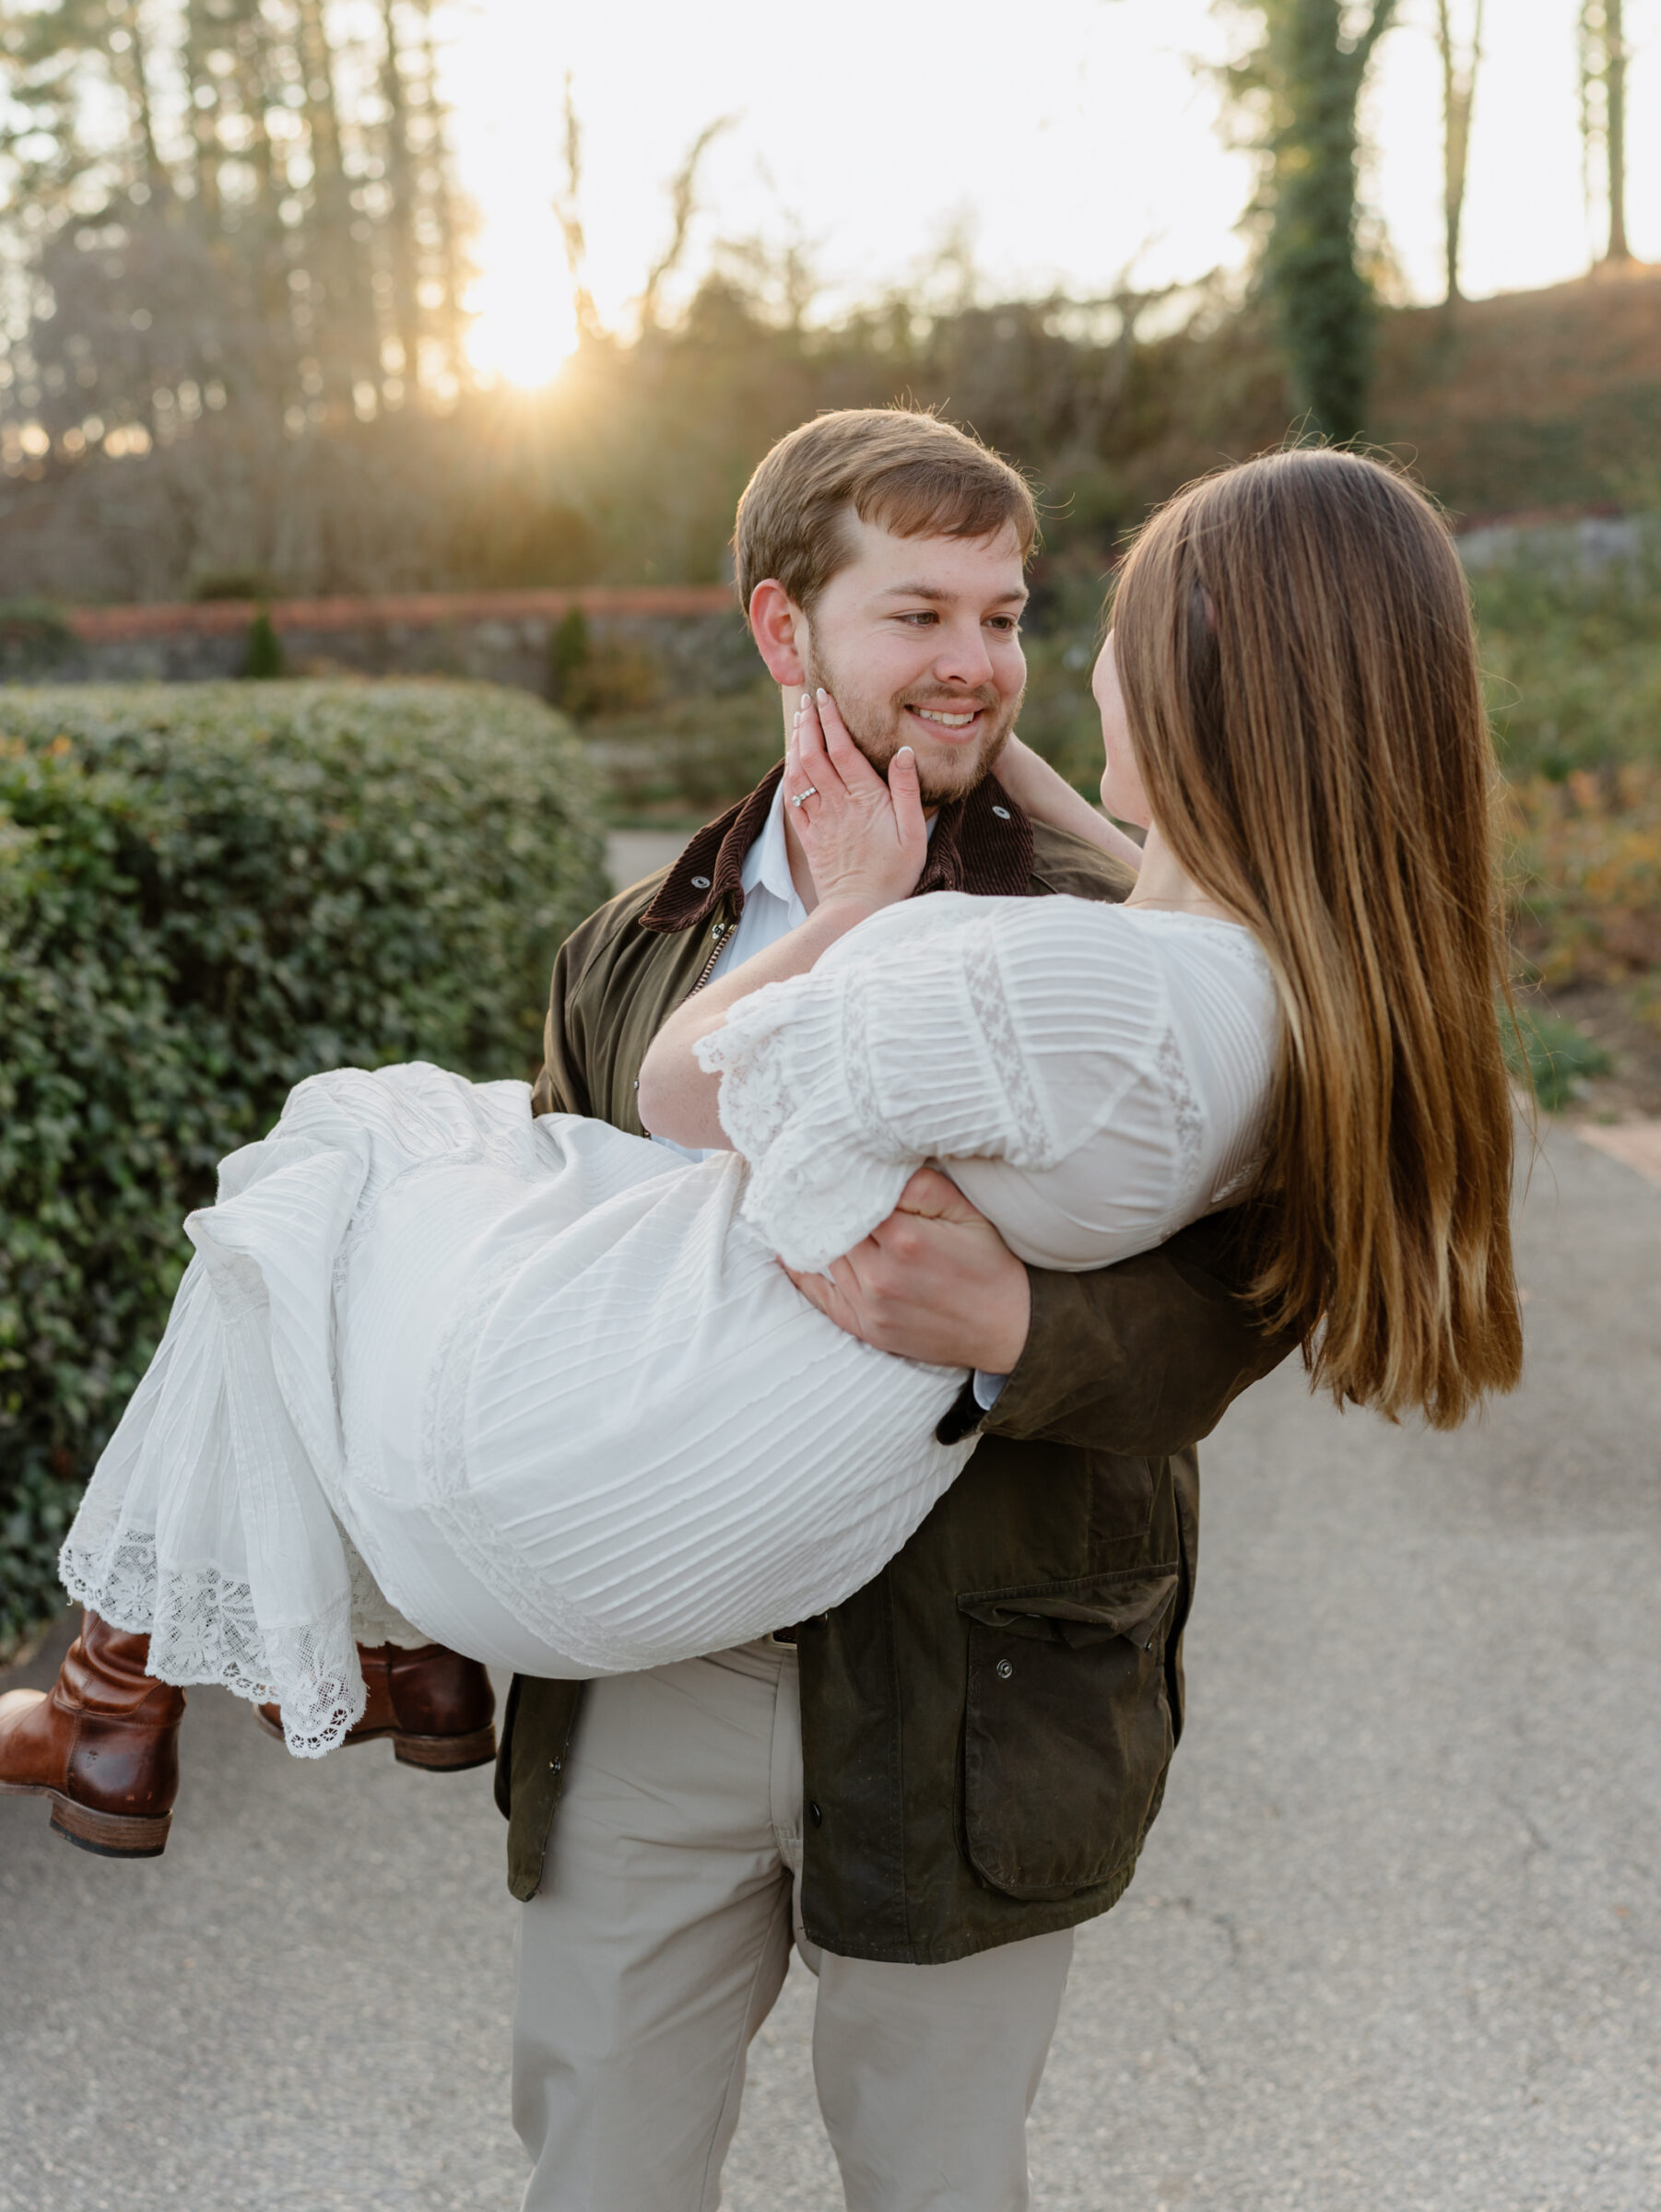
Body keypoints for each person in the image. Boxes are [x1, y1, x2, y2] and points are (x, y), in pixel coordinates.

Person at [1, 412, 1520, 2212]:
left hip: (984, 1662)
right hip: (654, 1676)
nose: (975, 663)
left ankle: (137, 1675)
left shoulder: (1132, 930)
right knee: (598, 2149)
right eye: (919, 614)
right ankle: (235, 1652)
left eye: (1008, 615)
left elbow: (1244, 1305)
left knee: (938, 2172)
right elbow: (554, 1267)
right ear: (782, 630)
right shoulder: (628, 940)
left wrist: (1023, 1328)